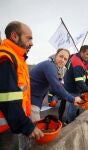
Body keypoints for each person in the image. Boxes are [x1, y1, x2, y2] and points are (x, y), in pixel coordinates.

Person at [0, 21, 44, 150]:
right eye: (29, 38)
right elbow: (9, 98)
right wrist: (27, 126)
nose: (32, 43)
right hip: (3, 130)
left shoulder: (18, 58)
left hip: (10, 124)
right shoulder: (5, 58)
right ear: (14, 36)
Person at [30, 48, 82, 121]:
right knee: (33, 128)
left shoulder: (55, 68)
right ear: (56, 55)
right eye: (61, 56)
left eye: (65, 59)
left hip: (35, 98)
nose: (62, 60)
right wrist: (73, 99)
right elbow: (57, 87)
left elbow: (58, 85)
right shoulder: (49, 66)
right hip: (31, 99)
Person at [64, 45, 88, 123]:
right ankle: (70, 123)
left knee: (73, 105)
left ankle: (68, 120)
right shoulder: (78, 63)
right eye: (87, 54)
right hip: (73, 88)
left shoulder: (76, 57)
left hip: (71, 85)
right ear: (81, 52)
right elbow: (80, 82)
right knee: (74, 106)